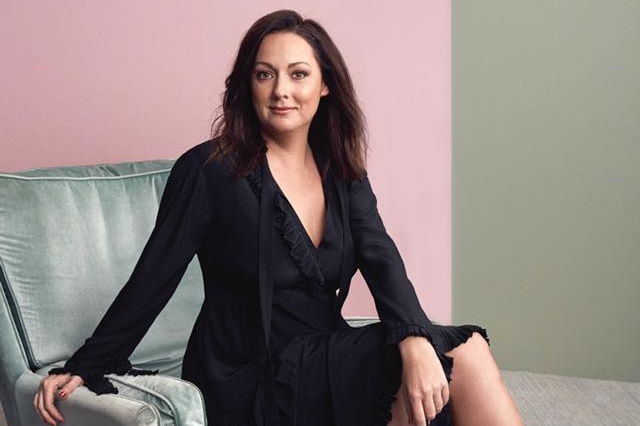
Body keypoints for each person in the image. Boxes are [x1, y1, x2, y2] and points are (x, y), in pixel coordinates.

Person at [34, 9, 522, 426]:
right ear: (248, 85)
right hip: (247, 376)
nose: (281, 91)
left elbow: (382, 259)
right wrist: (87, 363)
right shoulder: (209, 171)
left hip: (324, 355)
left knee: (440, 358)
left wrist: (415, 337)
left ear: (326, 84)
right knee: (465, 353)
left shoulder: (341, 170)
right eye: (265, 74)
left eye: (298, 74)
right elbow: (153, 278)